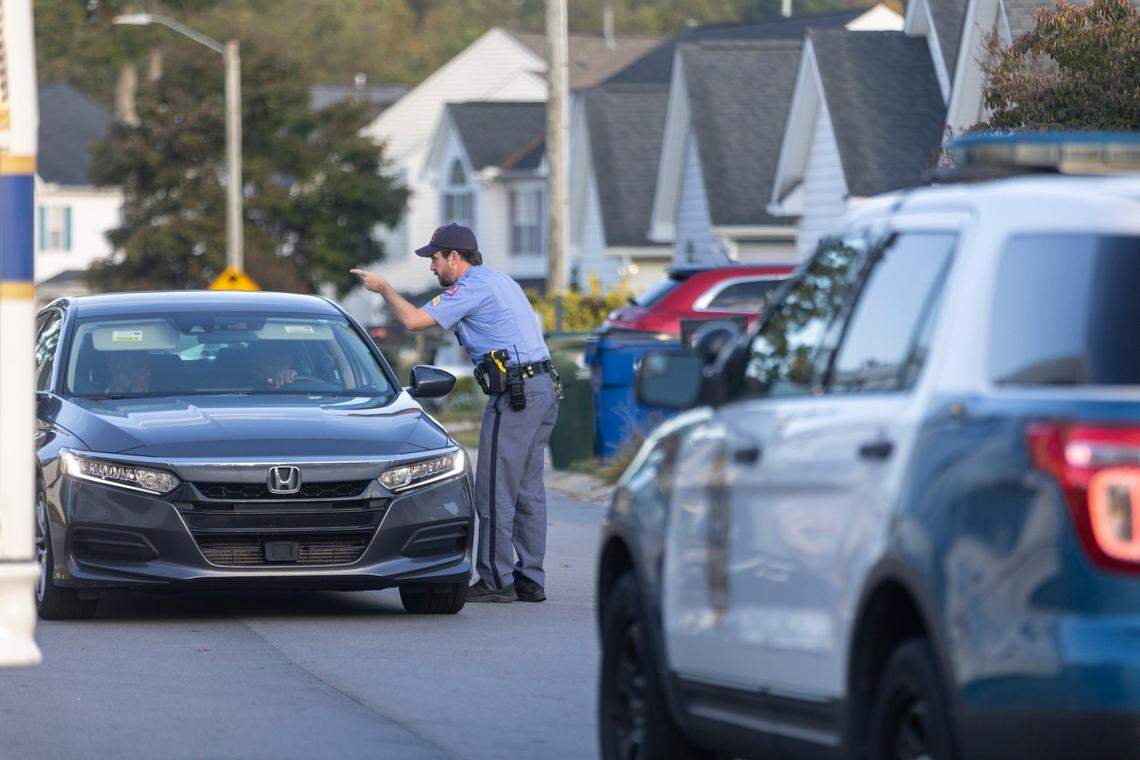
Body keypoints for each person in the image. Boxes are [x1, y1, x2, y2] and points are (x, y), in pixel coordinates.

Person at [351, 223, 559, 603]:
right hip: (543, 388)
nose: (432, 268)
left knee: (495, 489)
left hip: (516, 394)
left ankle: (497, 580)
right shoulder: (500, 281)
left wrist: (383, 288)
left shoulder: (470, 289)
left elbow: (414, 322)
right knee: (528, 490)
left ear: (454, 257)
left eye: (435, 258)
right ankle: (531, 578)